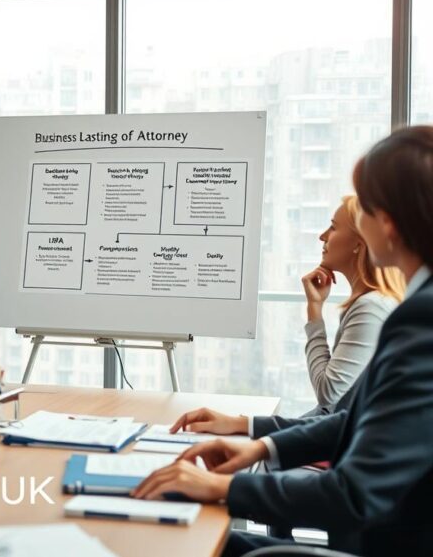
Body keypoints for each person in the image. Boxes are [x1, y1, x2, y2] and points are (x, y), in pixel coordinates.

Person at [133, 125, 433, 556]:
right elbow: (354, 417)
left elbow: (354, 494)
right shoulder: (416, 309)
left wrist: (222, 487)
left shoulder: (421, 319)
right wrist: (260, 445)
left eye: (363, 208)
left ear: (386, 224)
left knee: (179, 543)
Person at [168, 195, 404, 439]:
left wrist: (314, 315)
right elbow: (331, 414)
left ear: (359, 243)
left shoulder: (370, 309)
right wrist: (241, 424)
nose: (322, 236)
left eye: (333, 227)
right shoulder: (371, 304)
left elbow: (328, 396)